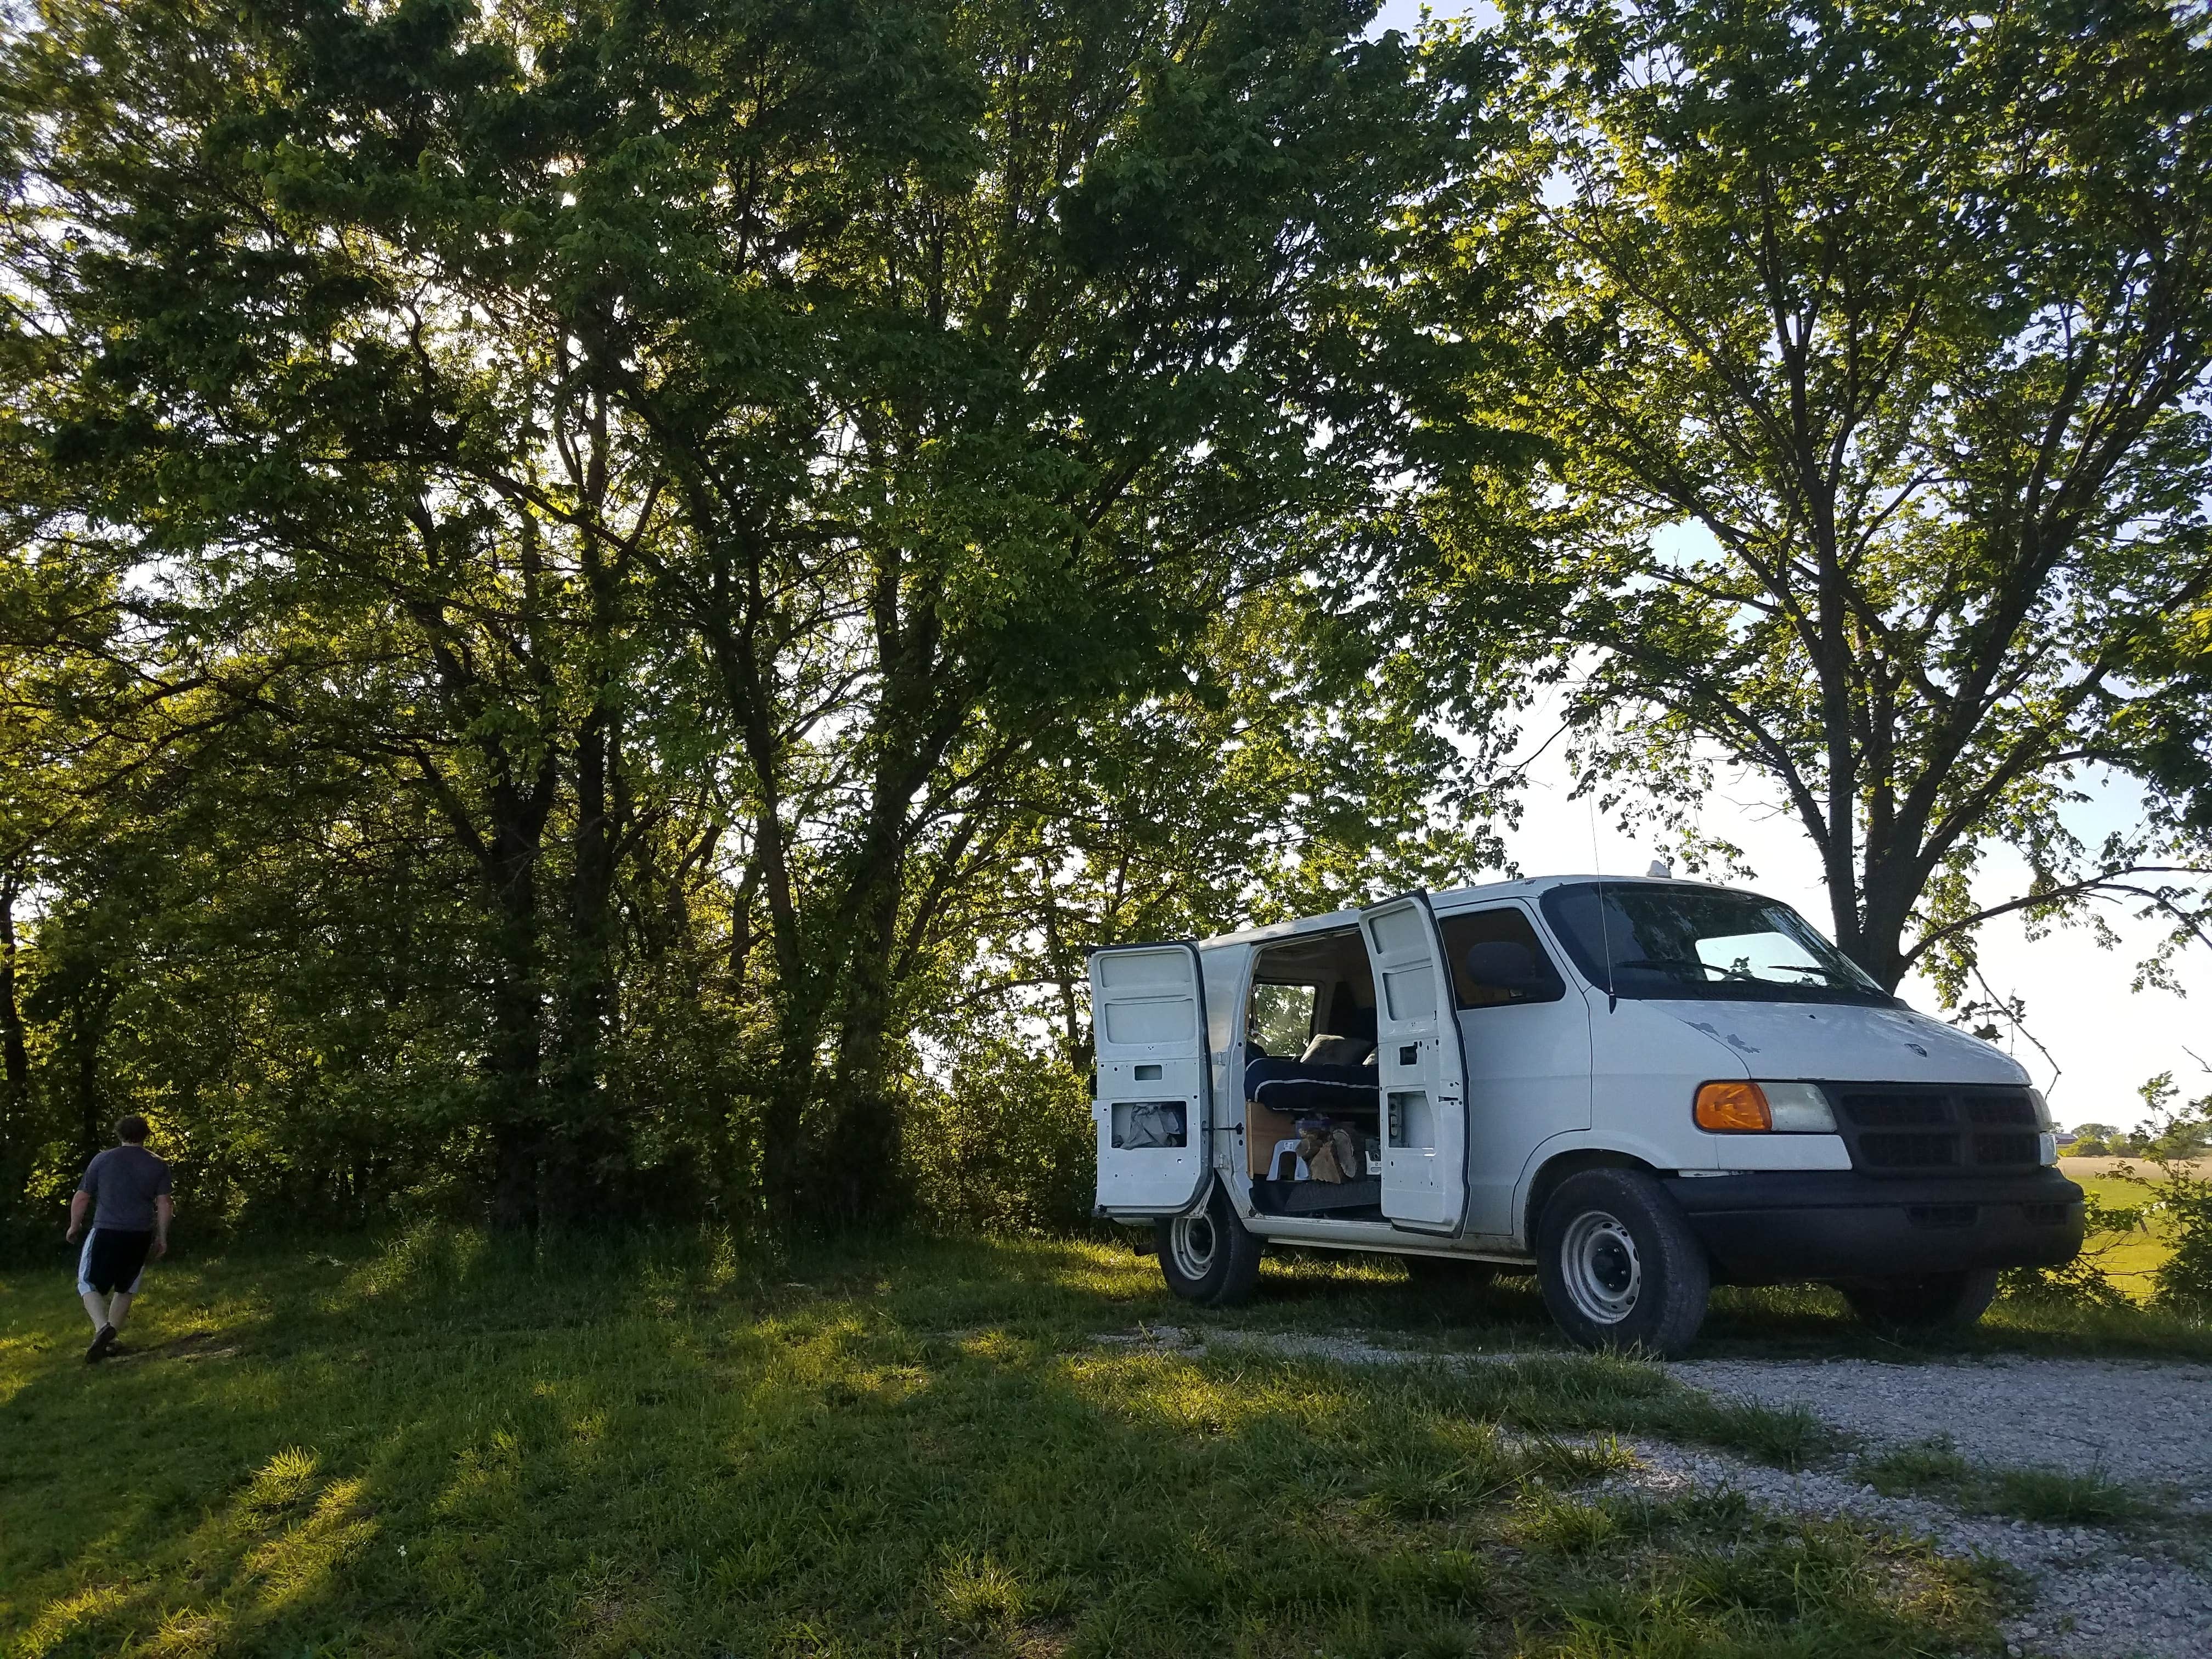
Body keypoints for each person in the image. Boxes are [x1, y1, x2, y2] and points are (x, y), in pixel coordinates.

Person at [65, 1115, 172, 1363]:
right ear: (146, 1135)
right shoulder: (158, 1164)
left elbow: (82, 1196)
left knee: (87, 1283)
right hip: (140, 1234)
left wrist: (74, 1226)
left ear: (119, 1134)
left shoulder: (103, 1159)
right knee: (126, 1286)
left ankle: (103, 1328)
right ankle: (110, 1341)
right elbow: (165, 1203)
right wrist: (162, 1237)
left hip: (106, 1231)